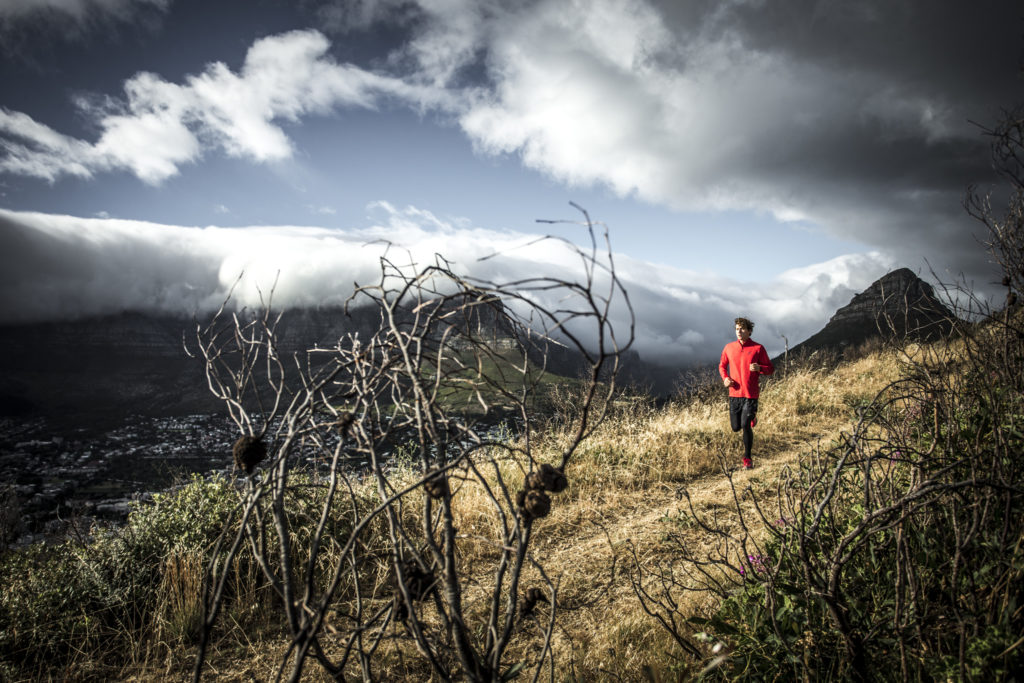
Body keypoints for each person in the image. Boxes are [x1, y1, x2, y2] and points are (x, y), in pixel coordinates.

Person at [719, 317, 774, 469]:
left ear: (749, 331)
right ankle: (752, 418)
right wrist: (725, 379)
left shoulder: (758, 348)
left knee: (744, 425)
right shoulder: (729, 348)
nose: (739, 331)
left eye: (742, 329)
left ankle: (747, 459)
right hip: (734, 394)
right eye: (737, 329)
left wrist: (760, 368)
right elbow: (722, 366)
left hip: (750, 395)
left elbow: (770, 368)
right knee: (735, 427)